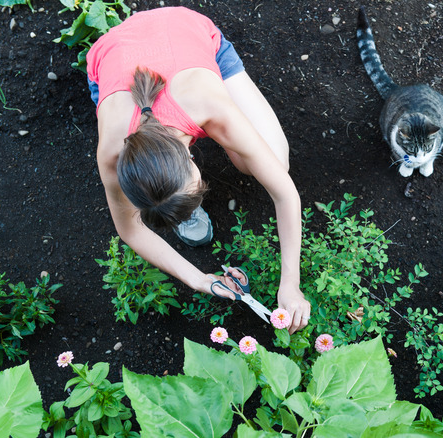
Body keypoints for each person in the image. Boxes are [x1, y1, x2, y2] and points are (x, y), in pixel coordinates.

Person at [86, 6, 309, 333]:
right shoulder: (111, 152)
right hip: (112, 59)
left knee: (273, 160)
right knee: (255, 159)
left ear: (191, 155)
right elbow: (130, 229)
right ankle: (176, 198)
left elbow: (285, 191)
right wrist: (198, 278)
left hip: (189, 35)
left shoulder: (207, 102)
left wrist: (290, 283)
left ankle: (181, 194)